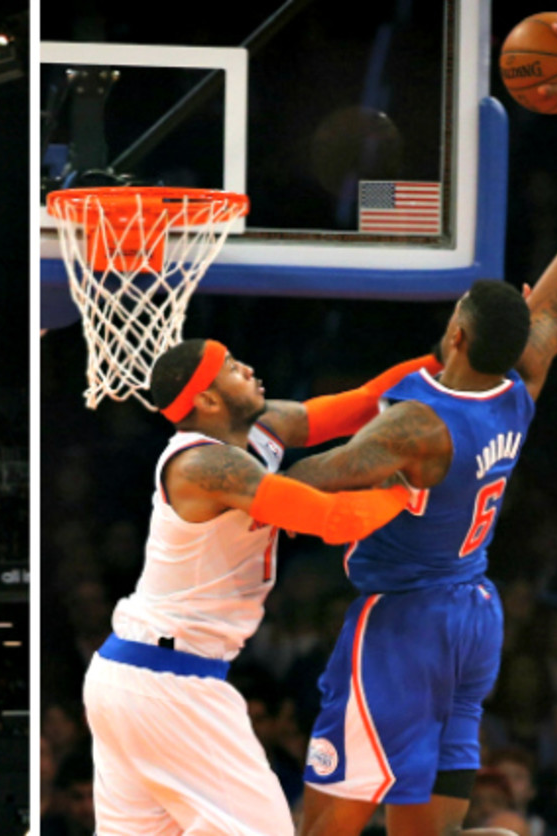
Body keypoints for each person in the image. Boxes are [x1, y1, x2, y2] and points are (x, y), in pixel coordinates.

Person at [283, 16, 557, 836]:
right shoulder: (523, 378)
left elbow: (306, 483)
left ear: (458, 333)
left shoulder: (419, 426)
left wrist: (218, 470)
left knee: (323, 821)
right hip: (475, 613)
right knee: (425, 829)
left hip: (405, 620)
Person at [82, 333, 449, 834]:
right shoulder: (203, 464)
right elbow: (331, 519)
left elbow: (363, 404)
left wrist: (449, 361)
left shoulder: (261, 428)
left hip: (134, 673)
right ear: (207, 400)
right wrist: (407, 494)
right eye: (232, 367)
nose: (249, 369)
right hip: (168, 679)